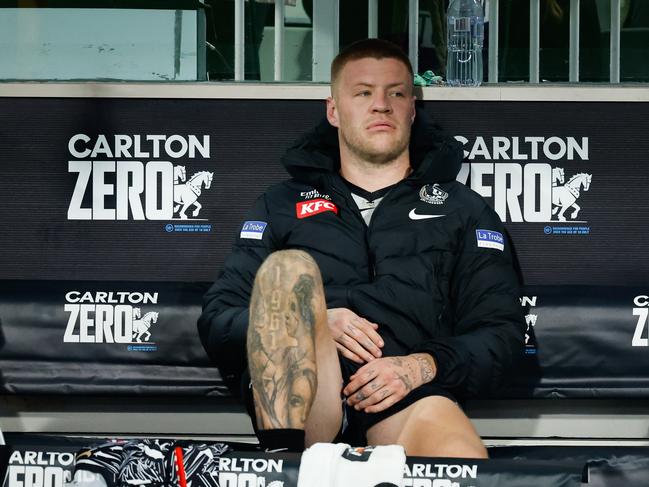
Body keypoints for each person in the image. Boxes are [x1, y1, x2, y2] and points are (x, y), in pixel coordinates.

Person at [198, 38, 525, 458]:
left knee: (460, 457)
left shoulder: (463, 210)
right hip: (307, 399)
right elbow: (218, 319)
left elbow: (501, 332)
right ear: (334, 110)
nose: (381, 105)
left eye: (396, 93)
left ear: (411, 108)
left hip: (405, 394)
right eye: (364, 92)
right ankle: (286, 467)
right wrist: (308, 323)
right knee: (288, 271)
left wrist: (418, 367)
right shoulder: (279, 204)